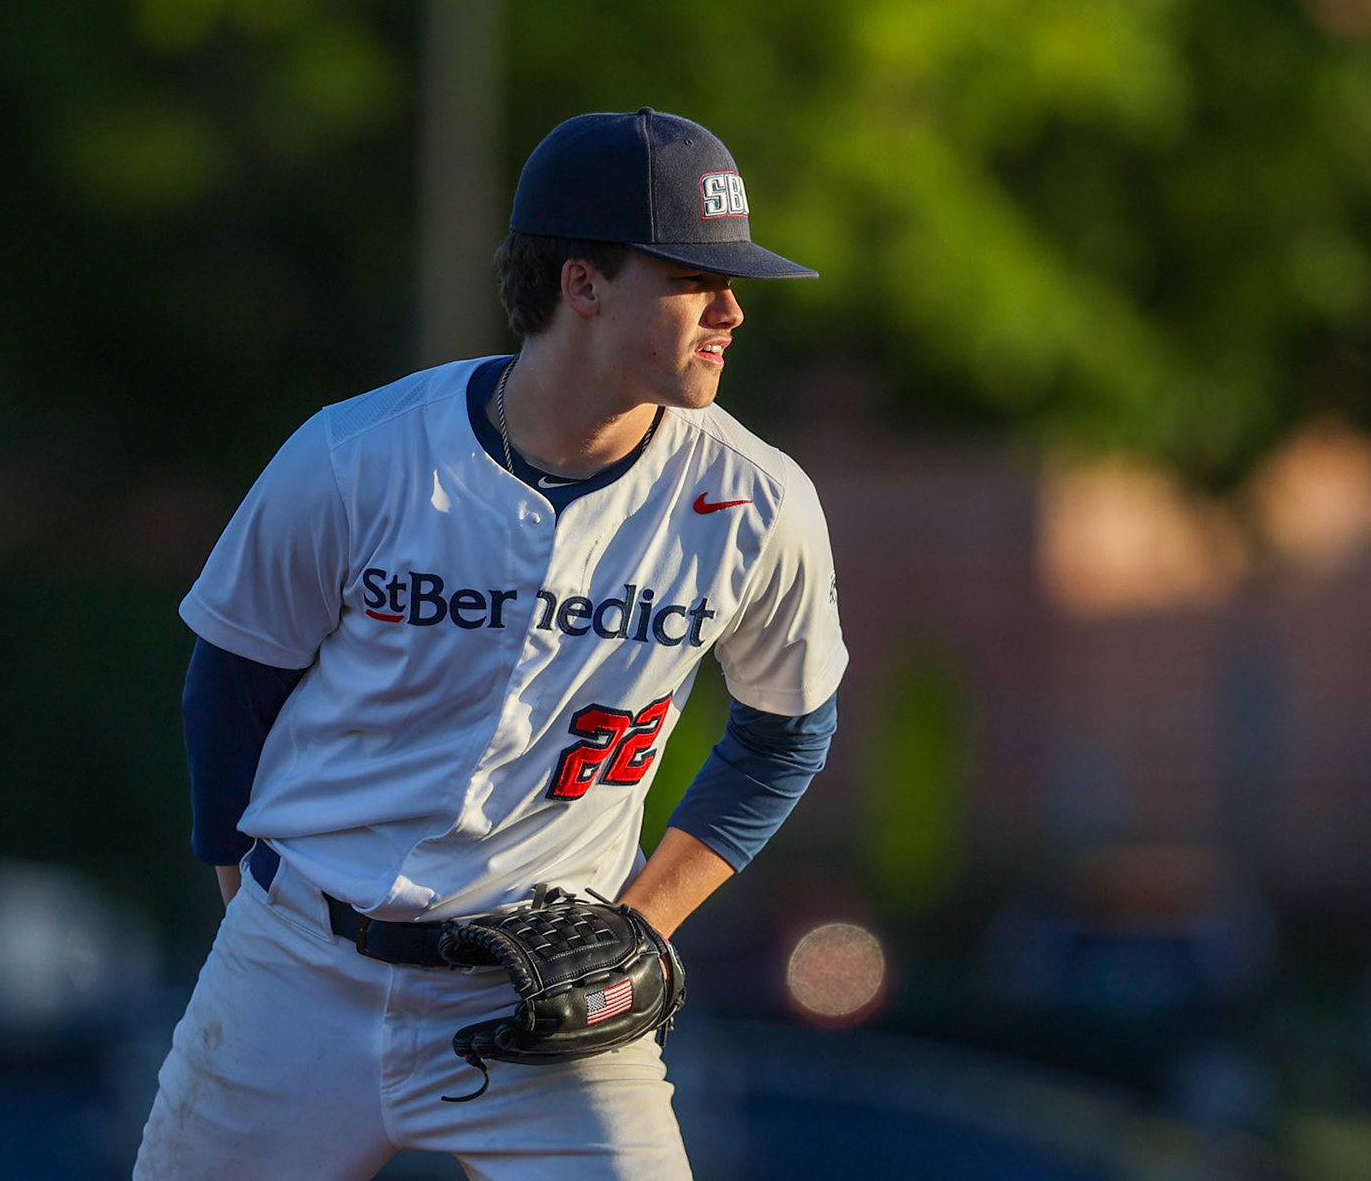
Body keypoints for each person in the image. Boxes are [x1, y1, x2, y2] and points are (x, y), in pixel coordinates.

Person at [133, 108, 848, 1179]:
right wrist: (264, 918)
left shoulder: (755, 501)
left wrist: (644, 924)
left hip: (548, 988)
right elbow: (231, 683)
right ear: (583, 284)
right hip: (300, 970)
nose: (731, 310)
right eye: (694, 280)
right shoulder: (359, 456)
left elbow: (786, 732)